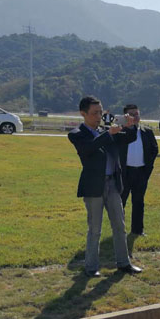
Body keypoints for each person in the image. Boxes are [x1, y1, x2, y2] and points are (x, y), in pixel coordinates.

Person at [68, 96, 142, 277]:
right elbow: (88, 149)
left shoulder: (105, 131)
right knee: (95, 229)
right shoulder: (77, 133)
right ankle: (91, 267)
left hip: (113, 184)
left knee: (119, 226)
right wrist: (109, 134)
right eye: (94, 113)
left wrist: (131, 125)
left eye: (100, 112)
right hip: (94, 186)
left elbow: (129, 138)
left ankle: (124, 263)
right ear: (83, 113)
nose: (98, 116)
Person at [118, 104, 158, 236]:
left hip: (141, 172)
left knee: (139, 202)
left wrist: (148, 168)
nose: (135, 117)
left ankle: (137, 230)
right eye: (131, 114)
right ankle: (119, 230)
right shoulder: (120, 132)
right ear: (125, 116)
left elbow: (154, 150)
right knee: (120, 203)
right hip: (124, 173)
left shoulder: (147, 132)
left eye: (137, 114)